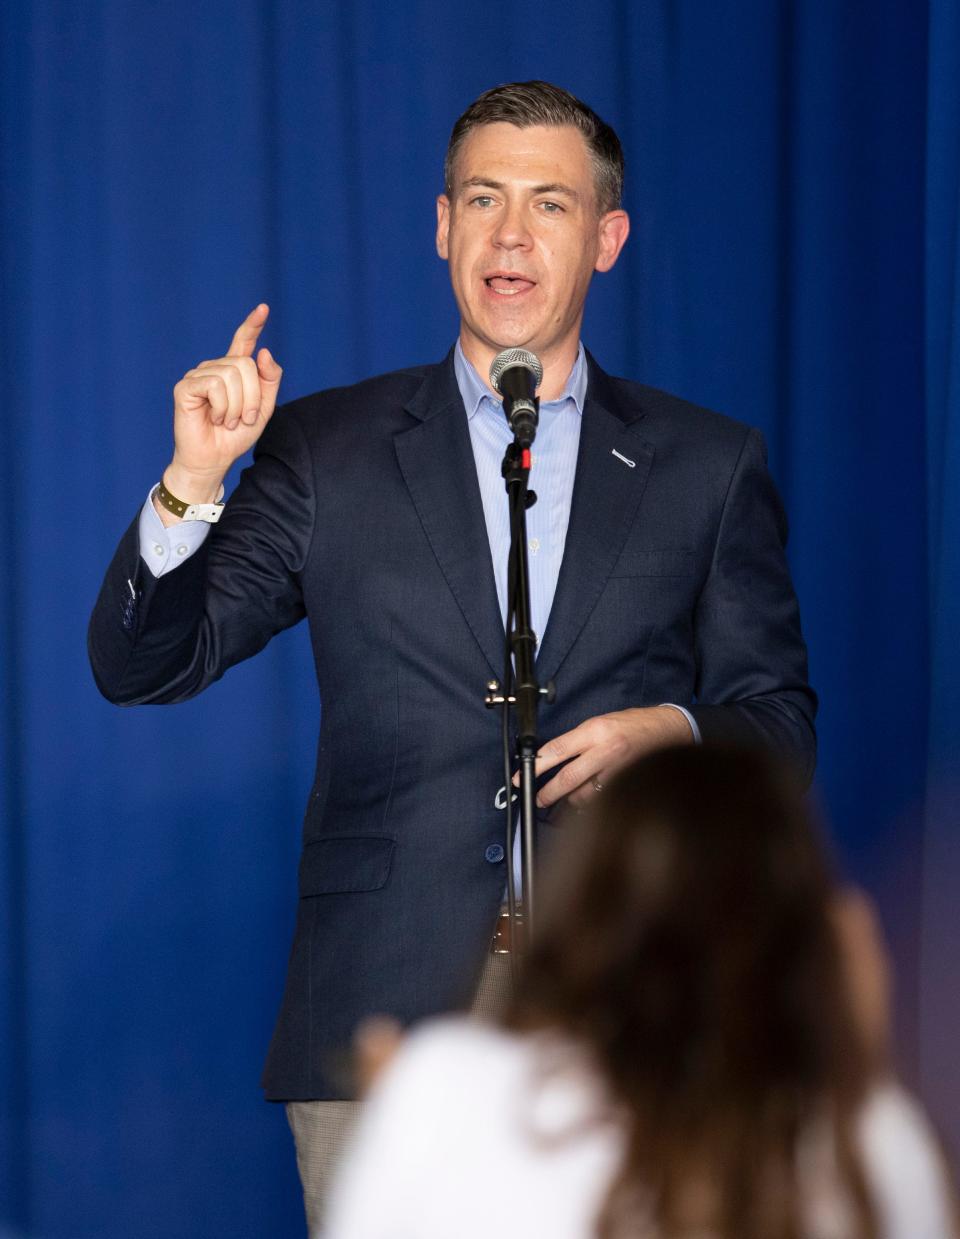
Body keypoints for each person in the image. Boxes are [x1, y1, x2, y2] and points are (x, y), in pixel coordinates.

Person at [88, 82, 816, 1227]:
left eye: (549, 205)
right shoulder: (327, 449)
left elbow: (777, 728)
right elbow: (143, 666)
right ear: (442, 228)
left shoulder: (706, 466)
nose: (512, 236)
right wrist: (192, 484)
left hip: (630, 1004)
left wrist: (671, 732)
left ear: (608, 240)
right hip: (381, 1014)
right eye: (483, 199)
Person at [326, 745, 957, 1239]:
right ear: (803, 918)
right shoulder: (874, 1142)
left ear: (585, 897)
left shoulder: (447, 1088)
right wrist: (860, 1059)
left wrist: (412, 1112)